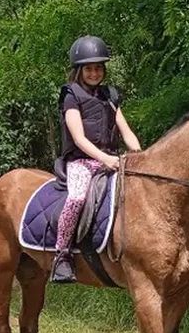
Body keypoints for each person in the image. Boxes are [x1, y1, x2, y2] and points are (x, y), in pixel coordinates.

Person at [51, 35, 142, 282]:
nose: (94, 73)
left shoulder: (110, 96)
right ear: (79, 70)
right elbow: (79, 138)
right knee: (77, 198)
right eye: (89, 69)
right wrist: (104, 159)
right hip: (82, 161)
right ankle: (62, 255)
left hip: (112, 159)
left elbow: (126, 131)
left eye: (98, 68)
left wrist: (140, 155)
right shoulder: (71, 95)